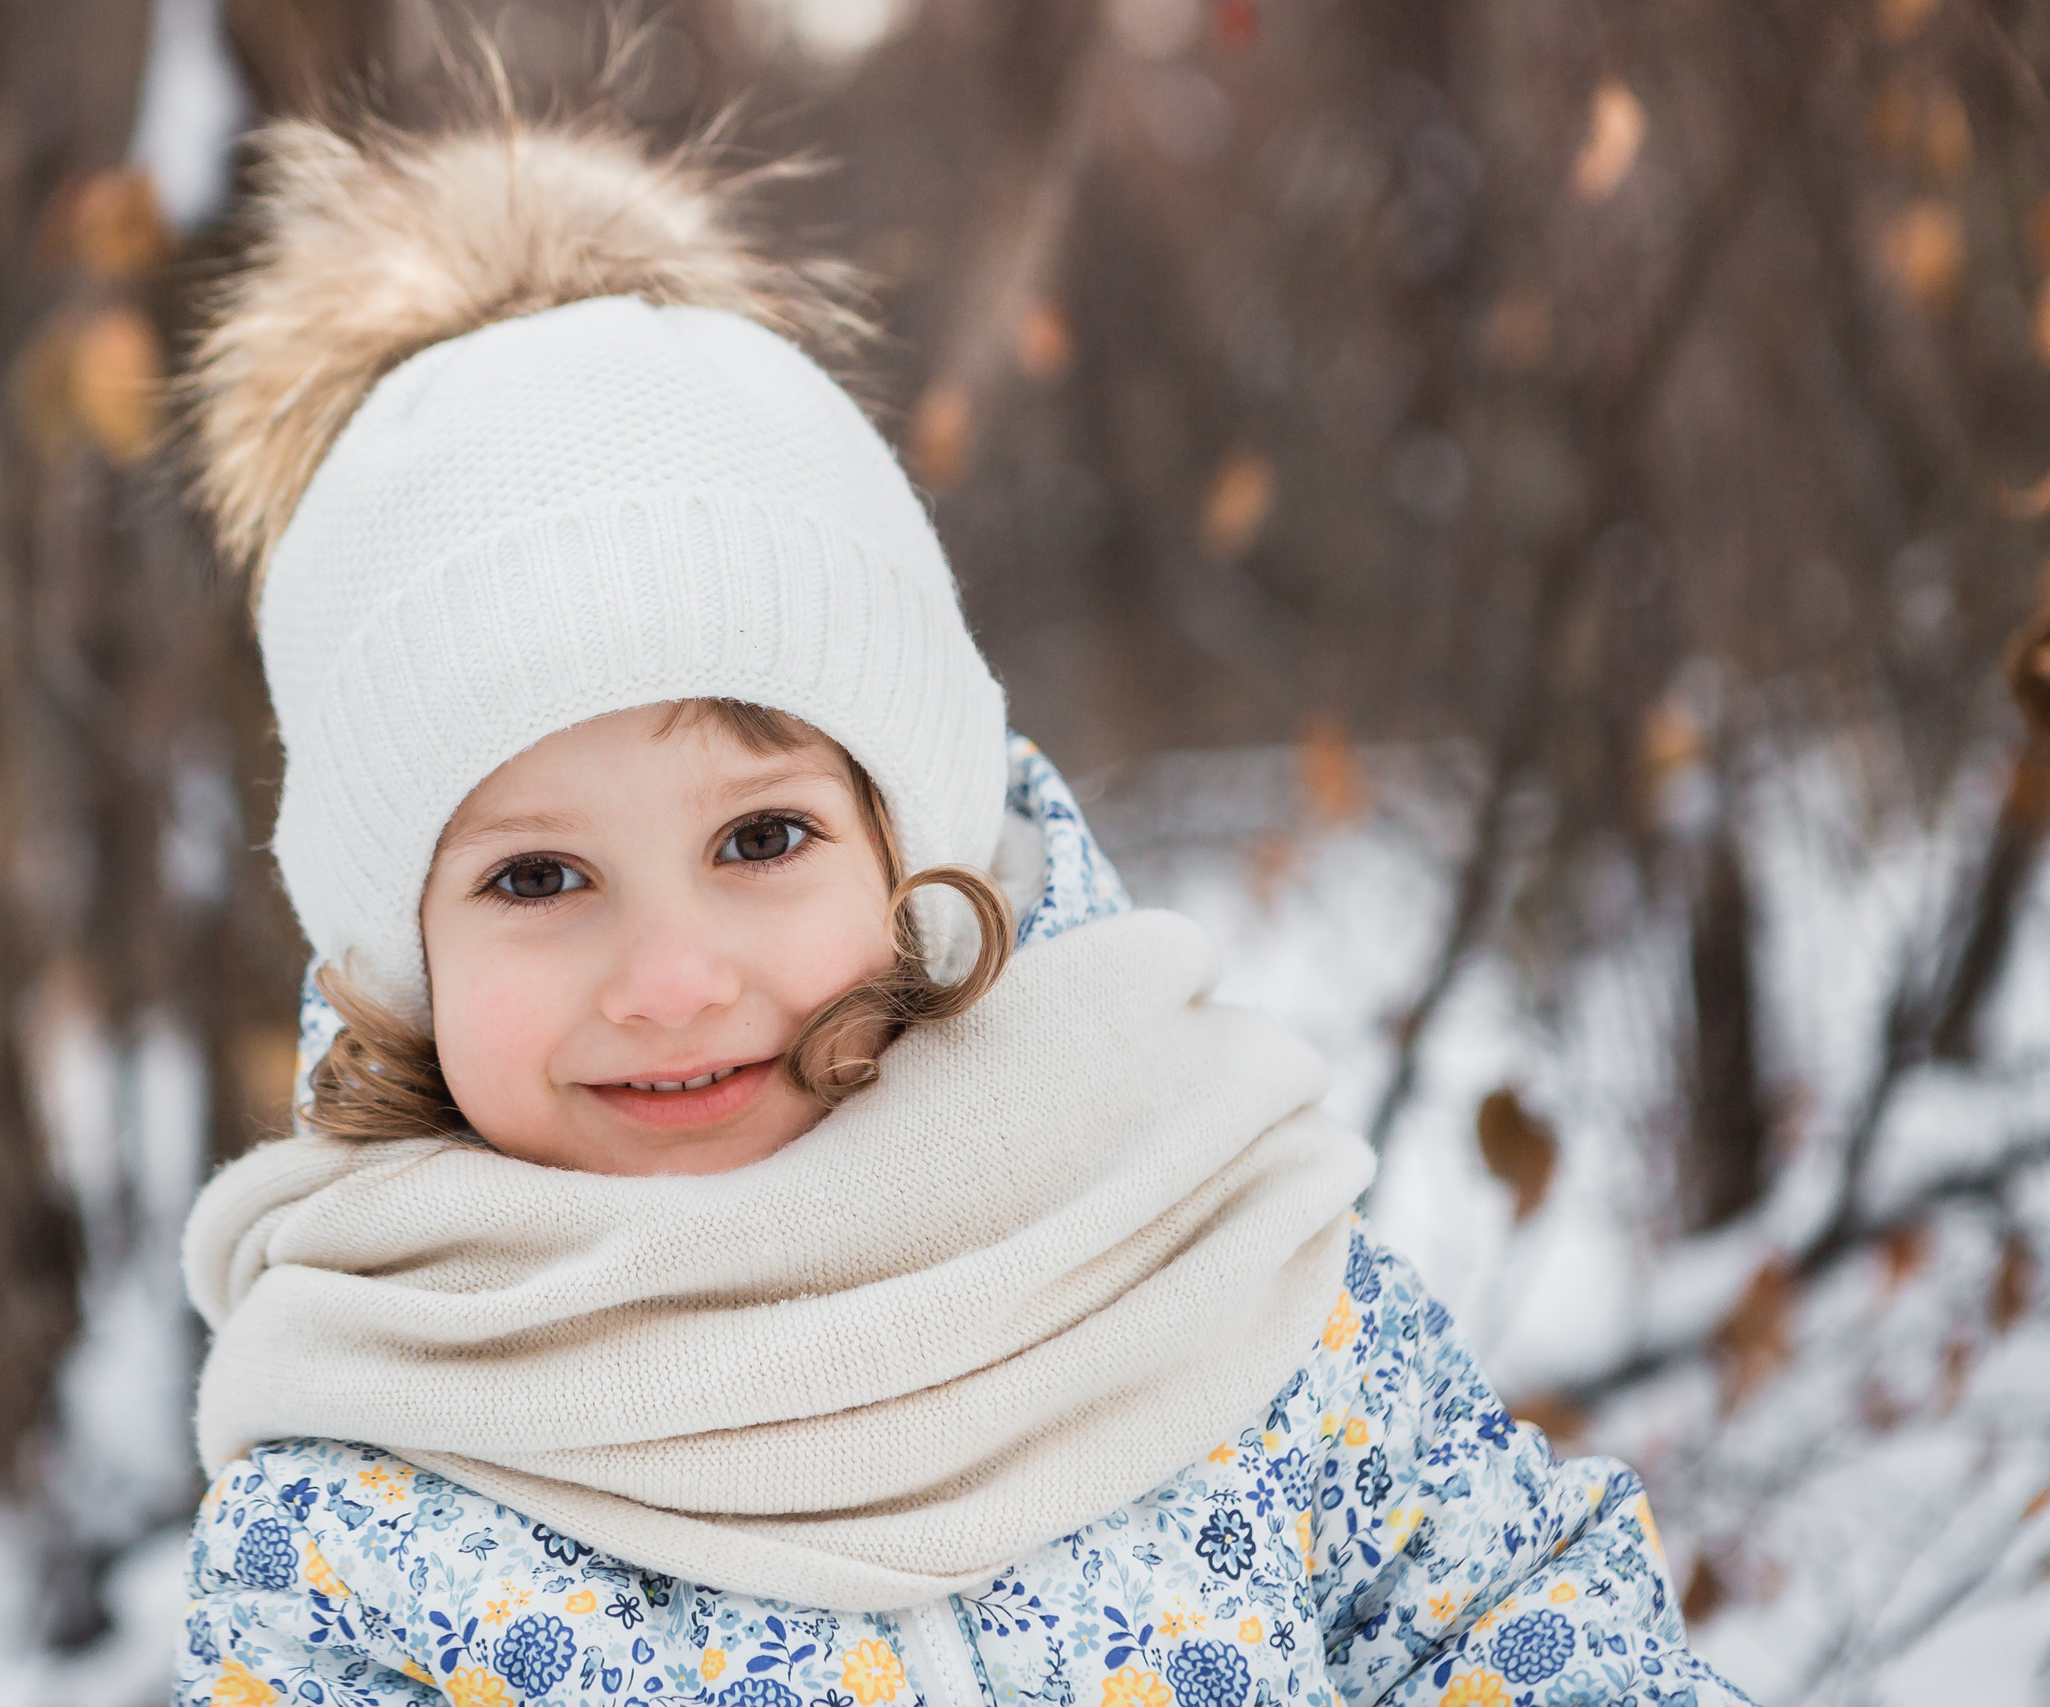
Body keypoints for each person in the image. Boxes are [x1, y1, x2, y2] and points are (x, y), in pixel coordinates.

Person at [173, 106, 1751, 1707]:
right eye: (535, 877)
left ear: (913, 848)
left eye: (761, 838)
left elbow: (1511, 1617)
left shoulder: (1203, 1262)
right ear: (399, 951)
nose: (667, 978)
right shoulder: (363, 1508)